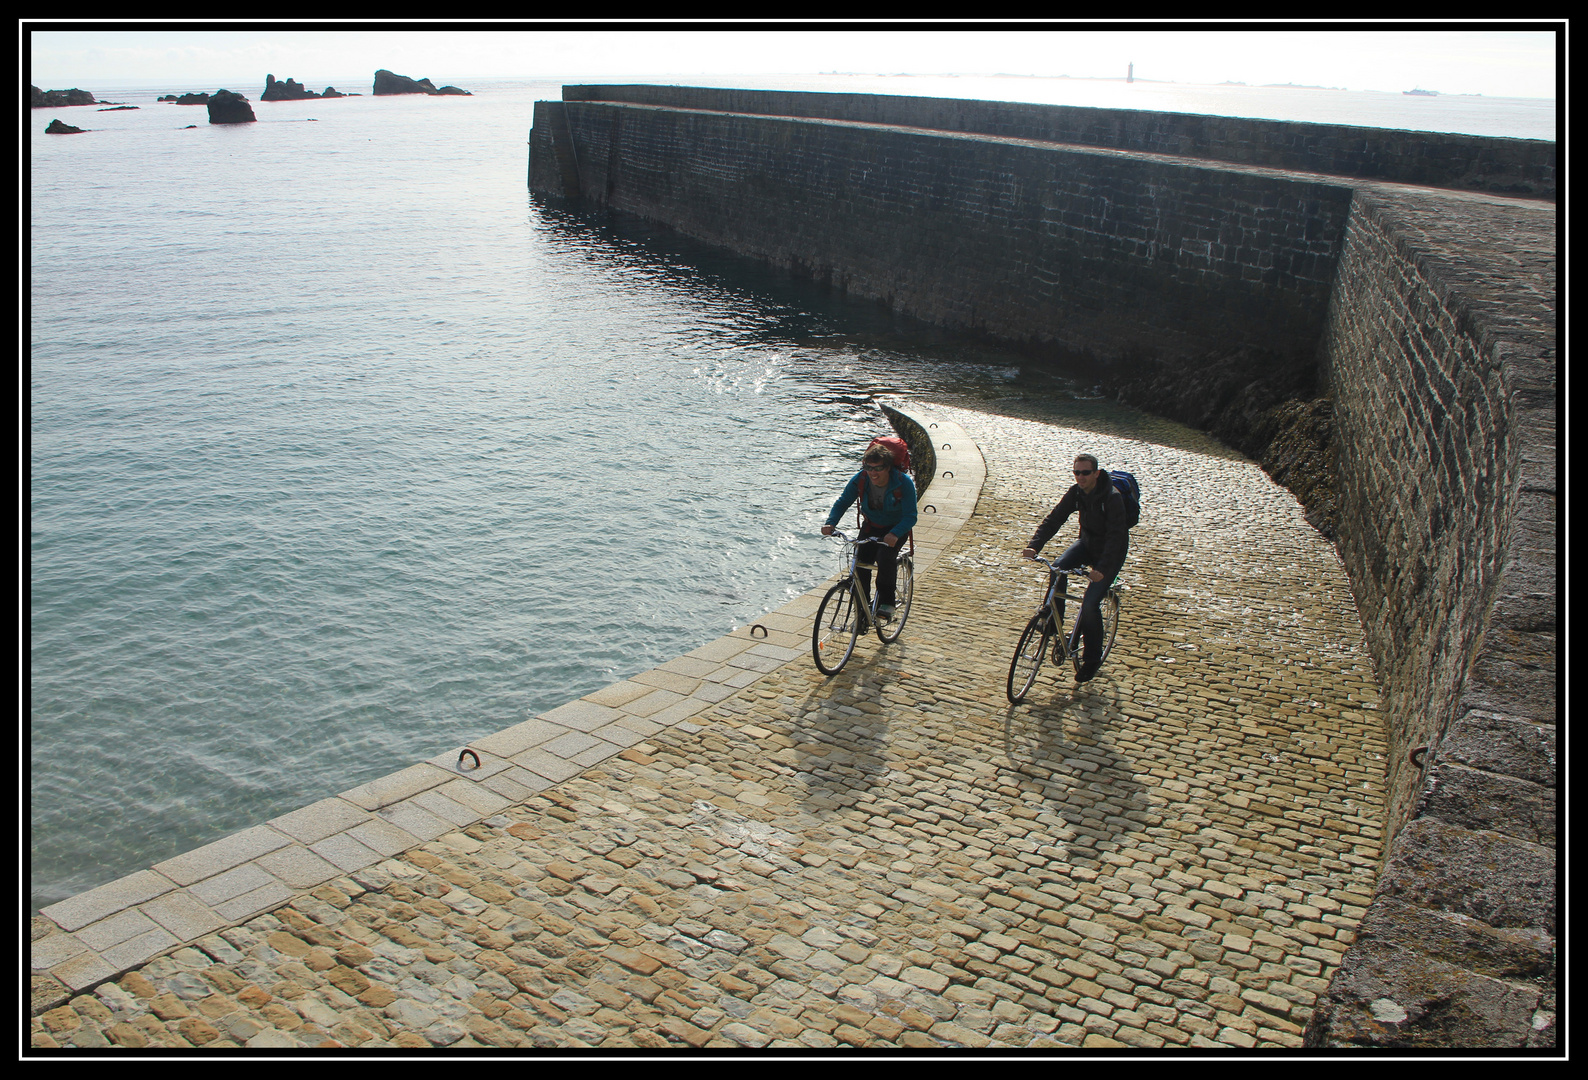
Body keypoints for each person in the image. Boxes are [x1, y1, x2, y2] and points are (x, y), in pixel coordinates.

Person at [1021, 453, 1129, 682]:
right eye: (1076, 472)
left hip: (1110, 554)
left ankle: (1091, 661)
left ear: (1096, 474)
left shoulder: (1112, 498)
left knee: (1090, 605)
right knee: (1058, 568)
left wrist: (1100, 569)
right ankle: (1053, 622)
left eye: (1085, 473)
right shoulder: (1077, 492)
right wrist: (1035, 545)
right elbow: (1055, 518)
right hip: (1086, 544)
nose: (1080, 477)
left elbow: (1116, 537)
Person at [821, 443, 918, 622]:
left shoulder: (903, 482)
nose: (873, 473)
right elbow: (843, 501)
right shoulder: (861, 478)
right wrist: (831, 523)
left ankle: (887, 603)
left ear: (888, 467)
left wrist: (895, 534)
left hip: (895, 528)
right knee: (859, 564)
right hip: (871, 525)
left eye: (878, 468)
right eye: (869, 468)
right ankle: (863, 609)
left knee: (885, 558)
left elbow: (911, 516)